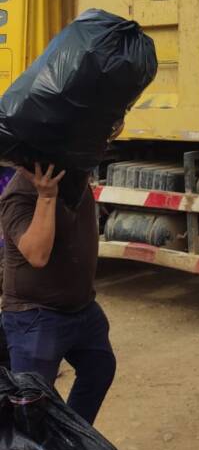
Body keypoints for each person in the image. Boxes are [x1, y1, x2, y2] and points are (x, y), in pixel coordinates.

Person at [0, 160, 116, 426]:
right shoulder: (19, 194)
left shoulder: (74, 180)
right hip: (35, 316)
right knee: (33, 408)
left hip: (82, 308)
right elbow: (37, 255)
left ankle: (71, 441)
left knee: (99, 369)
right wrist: (47, 197)